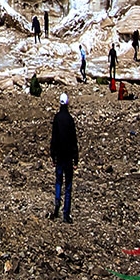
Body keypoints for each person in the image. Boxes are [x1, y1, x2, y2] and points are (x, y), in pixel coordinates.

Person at [50, 93, 79, 223]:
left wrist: (53, 156)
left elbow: (54, 138)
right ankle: (66, 214)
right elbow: (74, 140)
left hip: (59, 156)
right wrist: (75, 158)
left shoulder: (57, 118)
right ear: (67, 103)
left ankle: (57, 201)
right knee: (68, 185)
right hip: (68, 156)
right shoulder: (70, 119)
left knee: (58, 181)